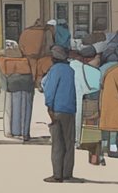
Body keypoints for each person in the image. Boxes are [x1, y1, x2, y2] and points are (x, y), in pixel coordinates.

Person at [43, 46, 78, 183]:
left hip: (57, 109)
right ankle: (67, 174)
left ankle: (57, 175)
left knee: (57, 143)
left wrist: (49, 107)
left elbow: (50, 90)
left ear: (54, 58)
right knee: (69, 143)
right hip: (70, 109)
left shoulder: (54, 70)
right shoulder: (70, 70)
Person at [69, 45, 103, 166]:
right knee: (91, 131)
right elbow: (97, 87)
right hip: (87, 103)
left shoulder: (68, 67)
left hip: (66, 104)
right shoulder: (93, 71)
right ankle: (93, 156)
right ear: (89, 59)